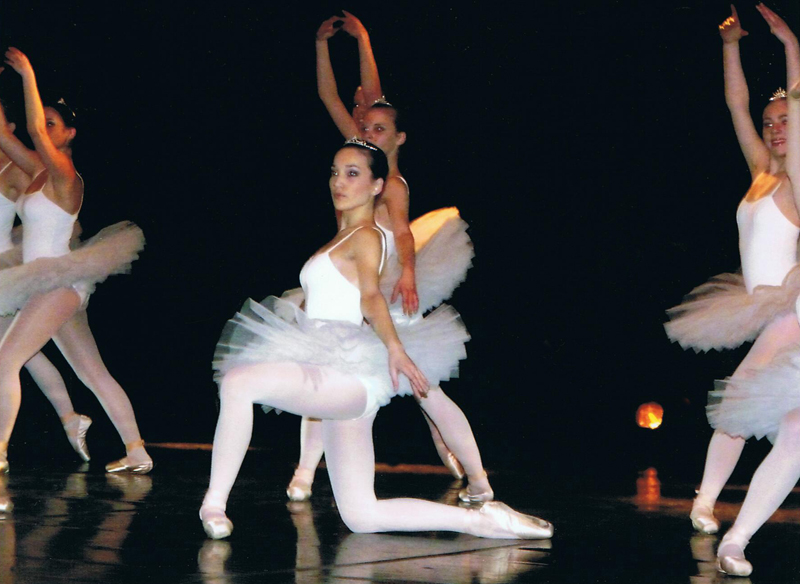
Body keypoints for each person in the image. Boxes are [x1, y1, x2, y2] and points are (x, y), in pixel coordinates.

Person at [200, 140, 553, 541]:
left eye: (352, 174)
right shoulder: (341, 237)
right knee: (361, 516)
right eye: (335, 172)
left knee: (238, 383)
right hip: (335, 373)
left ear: (376, 186)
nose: (339, 182)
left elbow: (370, 296)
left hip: (346, 374)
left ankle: (214, 504)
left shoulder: (367, 236)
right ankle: (487, 521)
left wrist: (396, 349)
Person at [285, 12, 493, 504]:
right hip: (353, 284)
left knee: (425, 388)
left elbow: (401, 233)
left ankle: (478, 476)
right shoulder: (359, 159)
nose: (367, 131)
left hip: (381, 288)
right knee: (325, 370)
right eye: (365, 127)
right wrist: (333, 43)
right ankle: (304, 473)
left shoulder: (391, 183)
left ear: (397, 139)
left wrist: (411, 274)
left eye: (379, 129)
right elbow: (332, 97)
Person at [665, 4, 800, 576]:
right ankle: (709, 506)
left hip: (791, 308)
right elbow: (735, 105)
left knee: (752, 407)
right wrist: (730, 47)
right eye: (771, 122)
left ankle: (725, 525)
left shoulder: (798, 176)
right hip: (767, 308)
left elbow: (797, 101)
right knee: (747, 407)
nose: (775, 127)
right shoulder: (762, 172)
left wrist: (790, 45)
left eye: (785, 119)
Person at [0, 47, 152, 474]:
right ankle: (138, 451)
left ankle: (0, 451)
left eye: (53, 125)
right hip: (49, 286)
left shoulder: (67, 176)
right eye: (43, 123)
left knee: (6, 361)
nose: (43, 130)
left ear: (69, 135)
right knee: (93, 373)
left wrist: (27, 74)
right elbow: (5, 136)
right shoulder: (38, 174)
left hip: (58, 284)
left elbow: (31, 128)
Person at [0, 100, 92, 464]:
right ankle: (70, 418)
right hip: (16, 276)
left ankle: (3, 447)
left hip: (9, 272)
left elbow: (55, 214)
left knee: (13, 356)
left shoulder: (19, 169)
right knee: (23, 354)